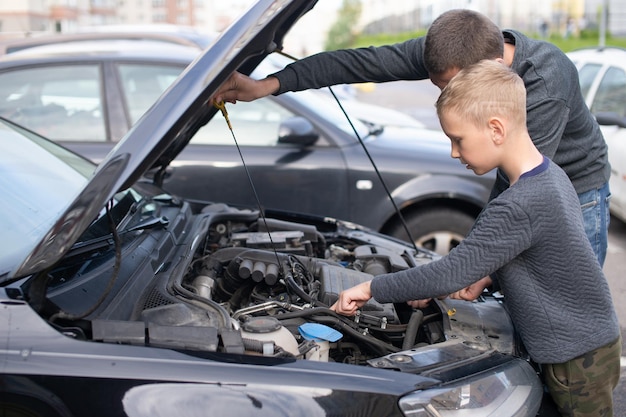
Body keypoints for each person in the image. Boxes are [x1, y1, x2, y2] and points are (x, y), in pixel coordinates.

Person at [331, 59, 621, 417]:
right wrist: (488, 274)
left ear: (496, 129)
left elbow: (450, 272)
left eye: (458, 139)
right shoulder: (550, 175)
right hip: (589, 341)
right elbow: (545, 255)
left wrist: (370, 289)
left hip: (576, 359)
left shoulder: (518, 204)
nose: (454, 152)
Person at [213, 8, 612, 269]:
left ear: (491, 68)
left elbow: (517, 192)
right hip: (523, 187)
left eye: (453, 87)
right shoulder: (450, 50)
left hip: (578, 189)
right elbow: (356, 62)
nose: (446, 98)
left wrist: (467, 269)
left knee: (566, 304)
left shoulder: (545, 81)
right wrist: (267, 85)